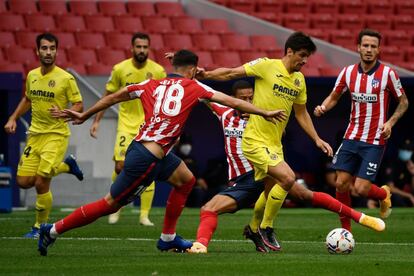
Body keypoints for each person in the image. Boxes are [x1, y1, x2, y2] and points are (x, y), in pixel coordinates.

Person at [37, 49, 288, 256]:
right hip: (146, 158)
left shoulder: (150, 83)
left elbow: (114, 97)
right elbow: (230, 100)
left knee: (186, 180)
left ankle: (167, 238)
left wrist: (85, 114)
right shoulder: (194, 86)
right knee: (110, 204)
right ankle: (52, 231)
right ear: (191, 70)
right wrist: (264, 112)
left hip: (156, 151)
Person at [187, 80, 385, 254]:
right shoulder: (224, 112)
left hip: (267, 172)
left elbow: (288, 124)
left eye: (251, 97)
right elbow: (203, 91)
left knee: (304, 194)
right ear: (233, 98)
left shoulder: (265, 114)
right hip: (244, 181)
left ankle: (360, 217)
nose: (247, 102)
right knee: (209, 209)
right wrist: (187, 76)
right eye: (242, 99)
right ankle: (212, 242)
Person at [197, 32, 333, 251]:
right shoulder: (266, 66)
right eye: (302, 55)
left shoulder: (299, 80)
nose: (305, 61)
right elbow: (231, 73)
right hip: (254, 141)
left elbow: (301, 113)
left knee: (269, 190)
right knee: (288, 179)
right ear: (289, 51)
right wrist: (206, 74)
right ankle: (266, 227)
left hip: (274, 144)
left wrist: (316, 138)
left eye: (307, 57)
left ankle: (252, 228)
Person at [314, 29, 409, 231]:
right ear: (358, 48)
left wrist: (390, 122)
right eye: (365, 45)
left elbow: (404, 102)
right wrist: (323, 107)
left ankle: (383, 195)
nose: (368, 50)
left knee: (361, 188)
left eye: (373, 46)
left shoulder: (388, 74)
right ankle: (345, 231)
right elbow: (333, 96)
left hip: (374, 139)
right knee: (341, 184)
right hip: (351, 136)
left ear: (378, 50)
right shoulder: (347, 73)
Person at [3, 33, 84, 238]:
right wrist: (12, 118)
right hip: (35, 134)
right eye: (45, 48)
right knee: (23, 181)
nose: (49, 52)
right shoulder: (32, 75)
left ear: (57, 50)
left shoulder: (66, 78)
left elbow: (79, 104)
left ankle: (40, 227)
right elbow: (27, 99)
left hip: (56, 135)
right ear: (37, 51)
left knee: (41, 182)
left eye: (52, 48)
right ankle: (67, 165)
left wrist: (68, 112)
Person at [90, 33, 166, 226]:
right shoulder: (120, 69)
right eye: (138, 47)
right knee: (120, 166)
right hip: (126, 125)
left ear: (149, 49)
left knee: (150, 168)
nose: (142, 50)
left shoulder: (157, 70)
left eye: (145, 47)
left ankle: (144, 215)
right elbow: (109, 95)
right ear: (132, 48)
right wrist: (96, 121)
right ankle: (116, 208)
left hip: (149, 127)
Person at [377, 139, 414, 207]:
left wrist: (413, 174)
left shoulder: (409, 165)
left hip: (404, 194)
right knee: (397, 198)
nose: (407, 152)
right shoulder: (392, 164)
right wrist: (409, 195)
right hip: (388, 194)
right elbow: (391, 188)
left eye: (409, 150)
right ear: (400, 150)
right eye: (405, 150)